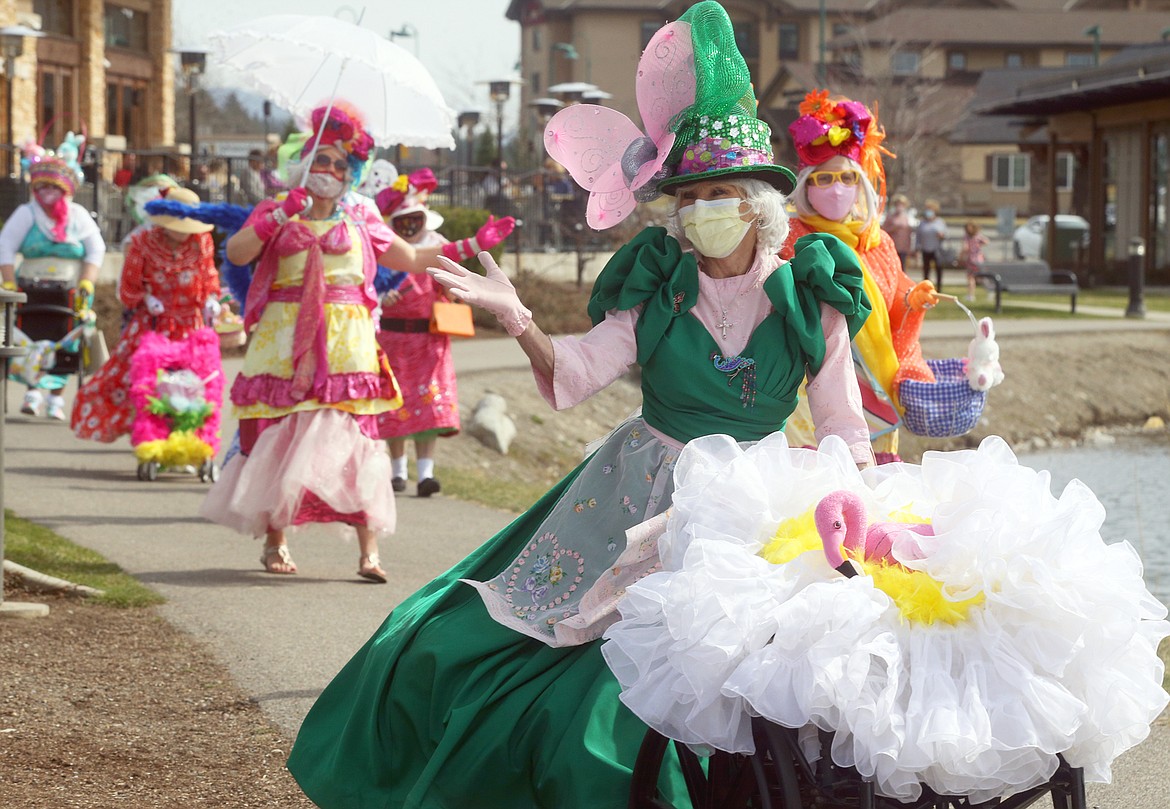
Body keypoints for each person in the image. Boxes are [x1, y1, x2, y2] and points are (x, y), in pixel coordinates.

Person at [286, 5, 874, 806]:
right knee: (545, 658)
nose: (703, 209)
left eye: (722, 192)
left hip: (759, 498)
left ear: (759, 202)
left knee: (744, 666)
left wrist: (858, 513)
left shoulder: (811, 296)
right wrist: (518, 317)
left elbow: (842, 422)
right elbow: (578, 371)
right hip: (643, 486)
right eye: (689, 196)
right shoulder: (657, 285)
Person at [198, 103, 514, 580]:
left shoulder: (361, 215)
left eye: (339, 164)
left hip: (348, 341)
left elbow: (409, 258)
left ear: (353, 173)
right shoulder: (276, 208)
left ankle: (369, 552)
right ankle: (276, 542)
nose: (328, 170)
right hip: (284, 342)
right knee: (279, 434)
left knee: (358, 439)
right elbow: (237, 252)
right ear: (302, 166)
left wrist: (470, 245)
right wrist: (278, 215)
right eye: (320, 160)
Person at [781, 90, 939, 464]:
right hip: (809, 390)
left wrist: (913, 300)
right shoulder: (788, 238)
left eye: (847, 177)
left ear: (860, 184)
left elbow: (891, 303)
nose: (837, 188)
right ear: (806, 185)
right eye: (825, 178)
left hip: (875, 391)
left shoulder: (877, 241)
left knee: (869, 493)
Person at [71, 187, 220, 442]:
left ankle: (187, 437)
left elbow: (209, 277)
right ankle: (153, 436)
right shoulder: (142, 243)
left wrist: (212, 299)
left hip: (190, 326)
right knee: (145, 382)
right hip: (152, 325)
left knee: (192, 384)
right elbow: (128, 288)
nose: (183, 233)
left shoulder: (202, 241)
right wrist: (146, 299)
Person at [373, 168, 460, 498]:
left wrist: (453, 290)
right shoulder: (383, 252)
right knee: (394, 404)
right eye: (403, 220)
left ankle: (426, 473)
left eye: (414, 219)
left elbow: (458, 287)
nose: (410, 227)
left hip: (429, 341)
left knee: (429, 405)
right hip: (391, 339)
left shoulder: (439, 248)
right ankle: (397, 471)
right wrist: (382, 295)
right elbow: (364, 285)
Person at [0, 150, 106, 420]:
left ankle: (56, 397)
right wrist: (9, 281)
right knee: (30, 336)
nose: (47, 192)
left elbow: (95, 248)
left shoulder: (78, 215)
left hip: (69, 290)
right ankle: (32, 390)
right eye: (42, 186)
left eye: (53, 186)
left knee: (66, 340)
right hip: (29, 289)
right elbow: (5, 246)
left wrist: (87, 281)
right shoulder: (27, 213)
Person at [916, 198, 948, 288]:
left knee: (938, 268)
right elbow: (918, 236)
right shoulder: (922, 223)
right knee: (926, 270)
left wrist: (941, 235)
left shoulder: (940, 222)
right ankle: (926, 287)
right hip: (925, 249)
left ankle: (938, 288)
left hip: (936, 249)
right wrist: (917, 247)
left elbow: (945, 235)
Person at [882, 192, 913, 270]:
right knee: (893, 267)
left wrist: (909, 247)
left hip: (903, 247)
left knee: (902, 267)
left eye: (902, 204)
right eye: (898, 204)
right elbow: (883, 231)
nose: (899, 206)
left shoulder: (906, 217)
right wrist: (893, 228)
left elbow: (909, 233)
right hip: (892, 246)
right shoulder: (890, 216)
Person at [962, 219, 990, 302]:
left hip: (972, 259)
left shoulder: (968, 237)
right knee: (980, 277)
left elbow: (965, 248)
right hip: (979, 259)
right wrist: (978, 245)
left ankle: (971, 295)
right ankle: (990, 291)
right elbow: (987, 241)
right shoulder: (978, 236)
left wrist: (962, 255)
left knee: (971, 278)